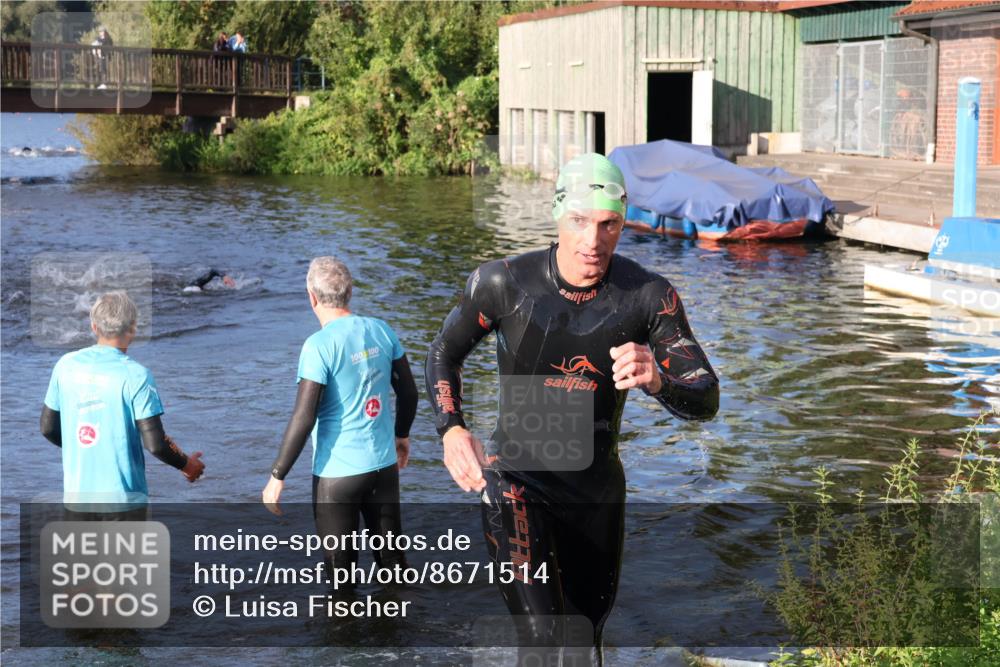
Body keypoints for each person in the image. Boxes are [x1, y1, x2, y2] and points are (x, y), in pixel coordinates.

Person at [425, 153, 719, 665]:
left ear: (622, 223)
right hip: (517, 483)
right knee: (541, 640)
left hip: (595, 491)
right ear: (558, 215)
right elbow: (443, 353)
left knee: (584, 644)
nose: (593, 240)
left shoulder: (648, 297)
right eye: (580, 222)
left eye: (609, 224)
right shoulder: (504, 284)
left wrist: (657, 380)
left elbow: (705, 396)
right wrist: (451, 429)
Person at [262, 257, 418, 578]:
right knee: (393, 565)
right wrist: (401, 436)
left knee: (341, 577)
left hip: (338, 477)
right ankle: (401, 623)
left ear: (312, 297)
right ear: (350, 291)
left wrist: (278, 476)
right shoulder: (381, 330)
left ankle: (344, 628)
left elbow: (304, 417)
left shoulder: (318, 346)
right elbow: (409, 393)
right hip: (383, 468)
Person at [40, 291, 205, 515]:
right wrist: (188, 465)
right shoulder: (137, 375)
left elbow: (48, 428)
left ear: (94, 327)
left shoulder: (65, 365)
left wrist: (87, 449)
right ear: (133, 329)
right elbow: (156, 443)